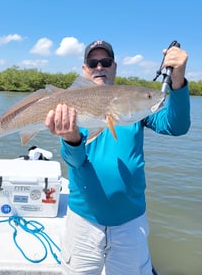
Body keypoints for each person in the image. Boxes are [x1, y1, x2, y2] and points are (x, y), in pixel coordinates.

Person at [45, 40, 190, 275]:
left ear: (115, 67)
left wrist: (178, 81)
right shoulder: (73, 106)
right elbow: (74, 162)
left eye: (106, 62)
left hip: (131, 223)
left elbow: (177, 125)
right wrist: (71, 139)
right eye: (93, 63)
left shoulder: (133, 107)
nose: (99, 66)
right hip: (83, 222)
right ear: (84, 69)